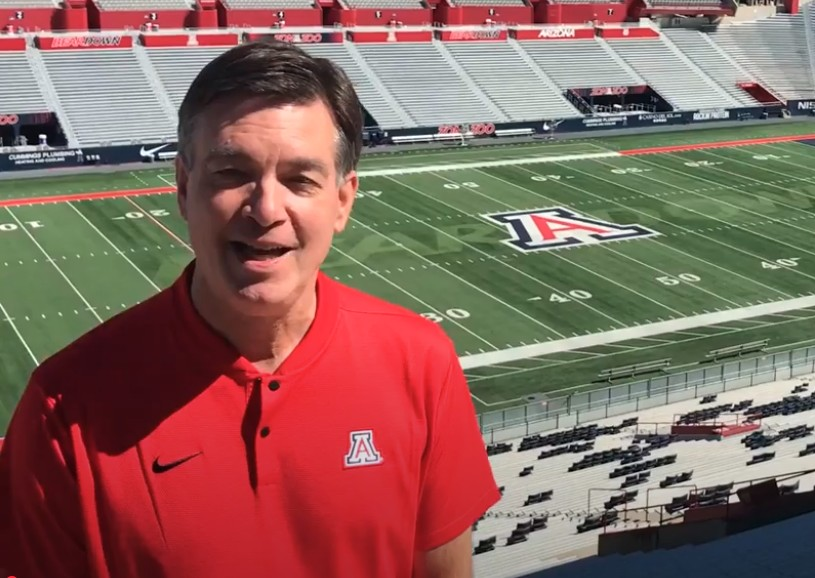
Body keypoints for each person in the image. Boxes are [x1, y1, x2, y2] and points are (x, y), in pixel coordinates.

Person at [0, 40, 499, 578]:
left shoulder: (420, 363)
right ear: (184, 188)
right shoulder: (64, 410)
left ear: (342, 201)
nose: (265, 209)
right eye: (231, 173)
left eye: (300, 180)